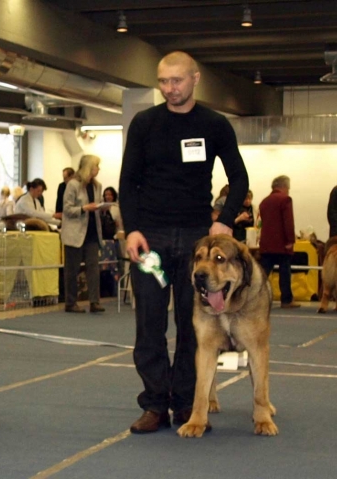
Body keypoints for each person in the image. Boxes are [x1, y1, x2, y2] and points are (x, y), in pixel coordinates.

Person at [118, 51, 249, 434]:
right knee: (149, 327)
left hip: (198, 245)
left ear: (195, 79)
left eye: (176, 81)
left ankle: (188, 407)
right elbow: (128, 182)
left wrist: (224, 222)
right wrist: (133, 229)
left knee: (194, 330)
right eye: (163, 82)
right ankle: (155, 405)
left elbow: (238, 178)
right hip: (150, 242)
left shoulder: (215, 124)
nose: (169, 89)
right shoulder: (144, 124)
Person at [61, 155, 106, 313]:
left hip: (92, 232)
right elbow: (67, 209)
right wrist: (85, 208)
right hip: (75, 233)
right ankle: (70, 302)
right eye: (96, 166)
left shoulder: (97, 186)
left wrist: (102, 207)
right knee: (71, 270)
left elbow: (96, 205)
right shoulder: (73, 185)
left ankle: (94, 302)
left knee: (93, 269)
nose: (98, 169)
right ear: (89, 167)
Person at [258, 175, 300, 309]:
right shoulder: (285, 199)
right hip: (281, 243)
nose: (288, 190)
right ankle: (286, 300)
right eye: (288, 188)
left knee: (262, 274)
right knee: (284, 273)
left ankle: (255, 299)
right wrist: (290, 240)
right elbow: (288, 221)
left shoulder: (264, 202)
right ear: (284, 187)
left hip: (266, 244)